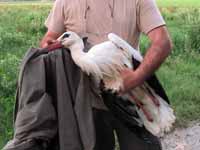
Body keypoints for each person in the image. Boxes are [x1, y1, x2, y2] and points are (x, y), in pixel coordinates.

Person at [4, 0, 172, 150]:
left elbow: (162, 42)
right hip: (85, 103)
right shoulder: (64, 2)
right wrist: (48, 44)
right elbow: (50, 38)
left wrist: (135, 78)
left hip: (133, 98)